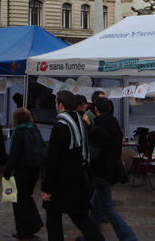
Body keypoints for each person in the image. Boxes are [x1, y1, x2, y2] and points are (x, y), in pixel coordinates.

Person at [41, 90, 104, 241]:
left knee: (54, 215)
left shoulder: (61, 126)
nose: (55, 105)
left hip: (62, 180)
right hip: (80, 176)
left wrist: (46, 186)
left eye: (56, 102)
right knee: (80, 217)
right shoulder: (80, 120)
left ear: (61, 105)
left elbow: (53, 159)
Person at [88, 97, 137, 240]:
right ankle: (92, 235)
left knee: (107, 208)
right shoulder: (115, 125)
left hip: (101, 172)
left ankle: (129, 237)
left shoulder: (99, 129)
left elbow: (94, 154)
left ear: (95, 109)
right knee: (96, 205)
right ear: (109, 108)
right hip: (113, 169)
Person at [3, 108, 44, 240]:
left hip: (23, 169)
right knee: (27, 196)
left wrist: (7, 172)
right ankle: (33, 223)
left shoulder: (19, 132)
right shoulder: (34, 129)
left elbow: (14, 155)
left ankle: (24, 230)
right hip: (34, 169)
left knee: (20, 200)